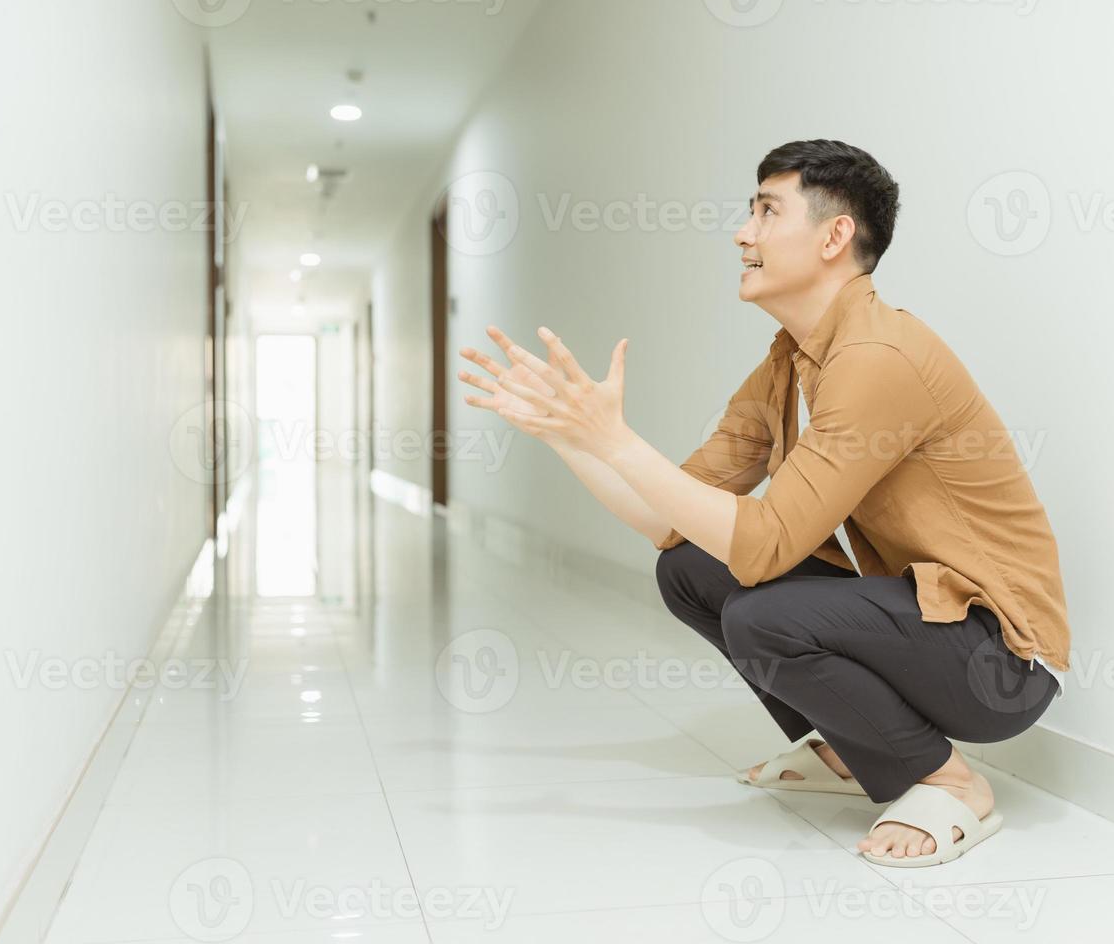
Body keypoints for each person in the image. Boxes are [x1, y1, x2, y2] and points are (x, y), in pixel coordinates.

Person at [455, 139, 1069, 867]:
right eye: (749, 211)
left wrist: (615, 441)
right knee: (688, 569)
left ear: (834, 236)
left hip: (1001, 664)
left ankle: (948, 782)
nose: (742, 233)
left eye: (765, 211)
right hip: (927, 622)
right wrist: (573, 439)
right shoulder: (790, 357)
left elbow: (765, 545)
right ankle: (850, 751)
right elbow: (672, 519)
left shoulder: (878, 358)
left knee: (760, 613)